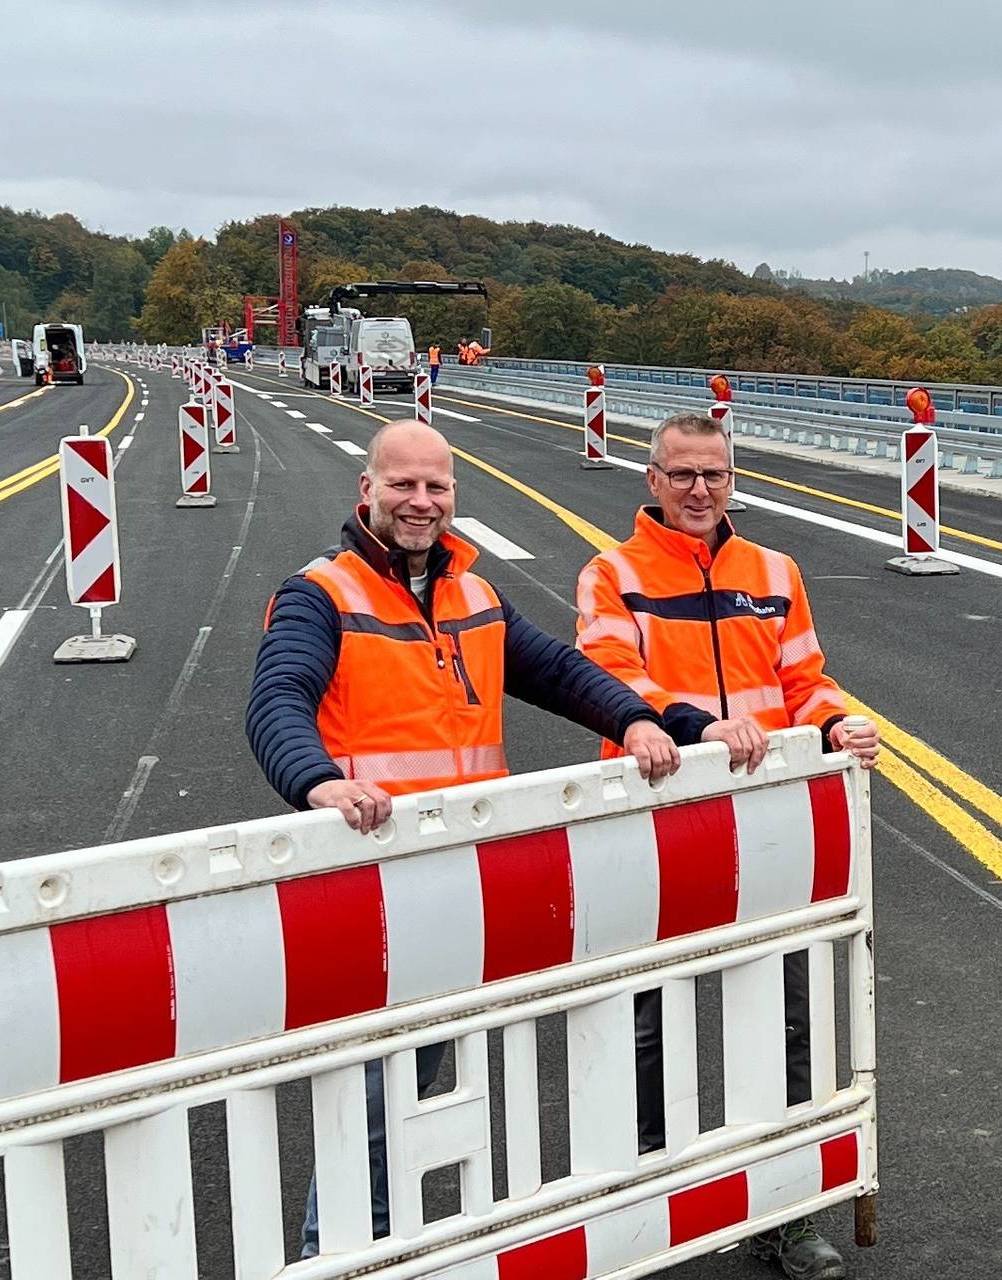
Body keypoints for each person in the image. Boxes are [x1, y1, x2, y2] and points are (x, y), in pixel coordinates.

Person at [248, 419, 684, 1257]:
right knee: (376, 1087)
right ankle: (334, 1253)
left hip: (465, 882)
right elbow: (278, 698)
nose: (421, 502)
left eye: (436, 487)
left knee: (423, 1078)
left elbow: (556, 670)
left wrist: (634, 719)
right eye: (403, 485)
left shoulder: (473, 597)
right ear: (367, 491)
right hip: (374, 881)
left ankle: (393, 1244)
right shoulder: (321, 594)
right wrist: (318, 781)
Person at [573, 410, 880, 1280]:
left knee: (784, 1018)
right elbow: (611, 678)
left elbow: (803, 680)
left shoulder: (774, 572)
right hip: (656, 823)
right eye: (682, 475)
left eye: (714, 474)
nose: (700, 490)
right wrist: (700, 727)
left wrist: (836, 723)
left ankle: (783, 1208)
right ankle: (649, 1201)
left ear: (732, 479)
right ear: (653, 481)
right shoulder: (613, 573)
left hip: (764, 824)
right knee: (648, 1022)